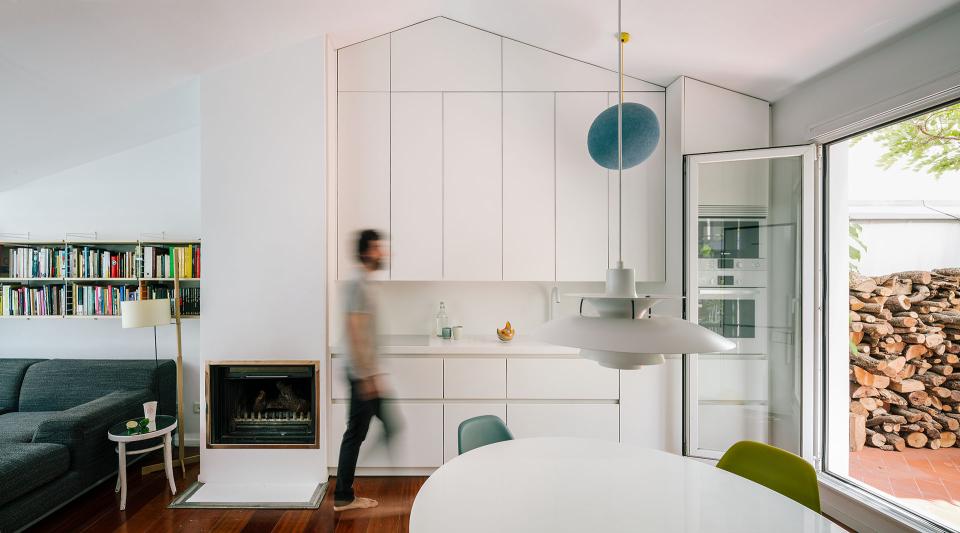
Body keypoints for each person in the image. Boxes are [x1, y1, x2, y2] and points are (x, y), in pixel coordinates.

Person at [334, 229, 395, 512]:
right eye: (378, 247)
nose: (383, 252)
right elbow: (355, 330)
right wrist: (367, 377)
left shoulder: (365, 283)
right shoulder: (359, 283)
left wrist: (374, 373)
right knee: (355, 434)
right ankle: (344, 496)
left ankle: (378, 473)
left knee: (389, 425)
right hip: (361, 375)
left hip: (367, 373)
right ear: (366, 251)